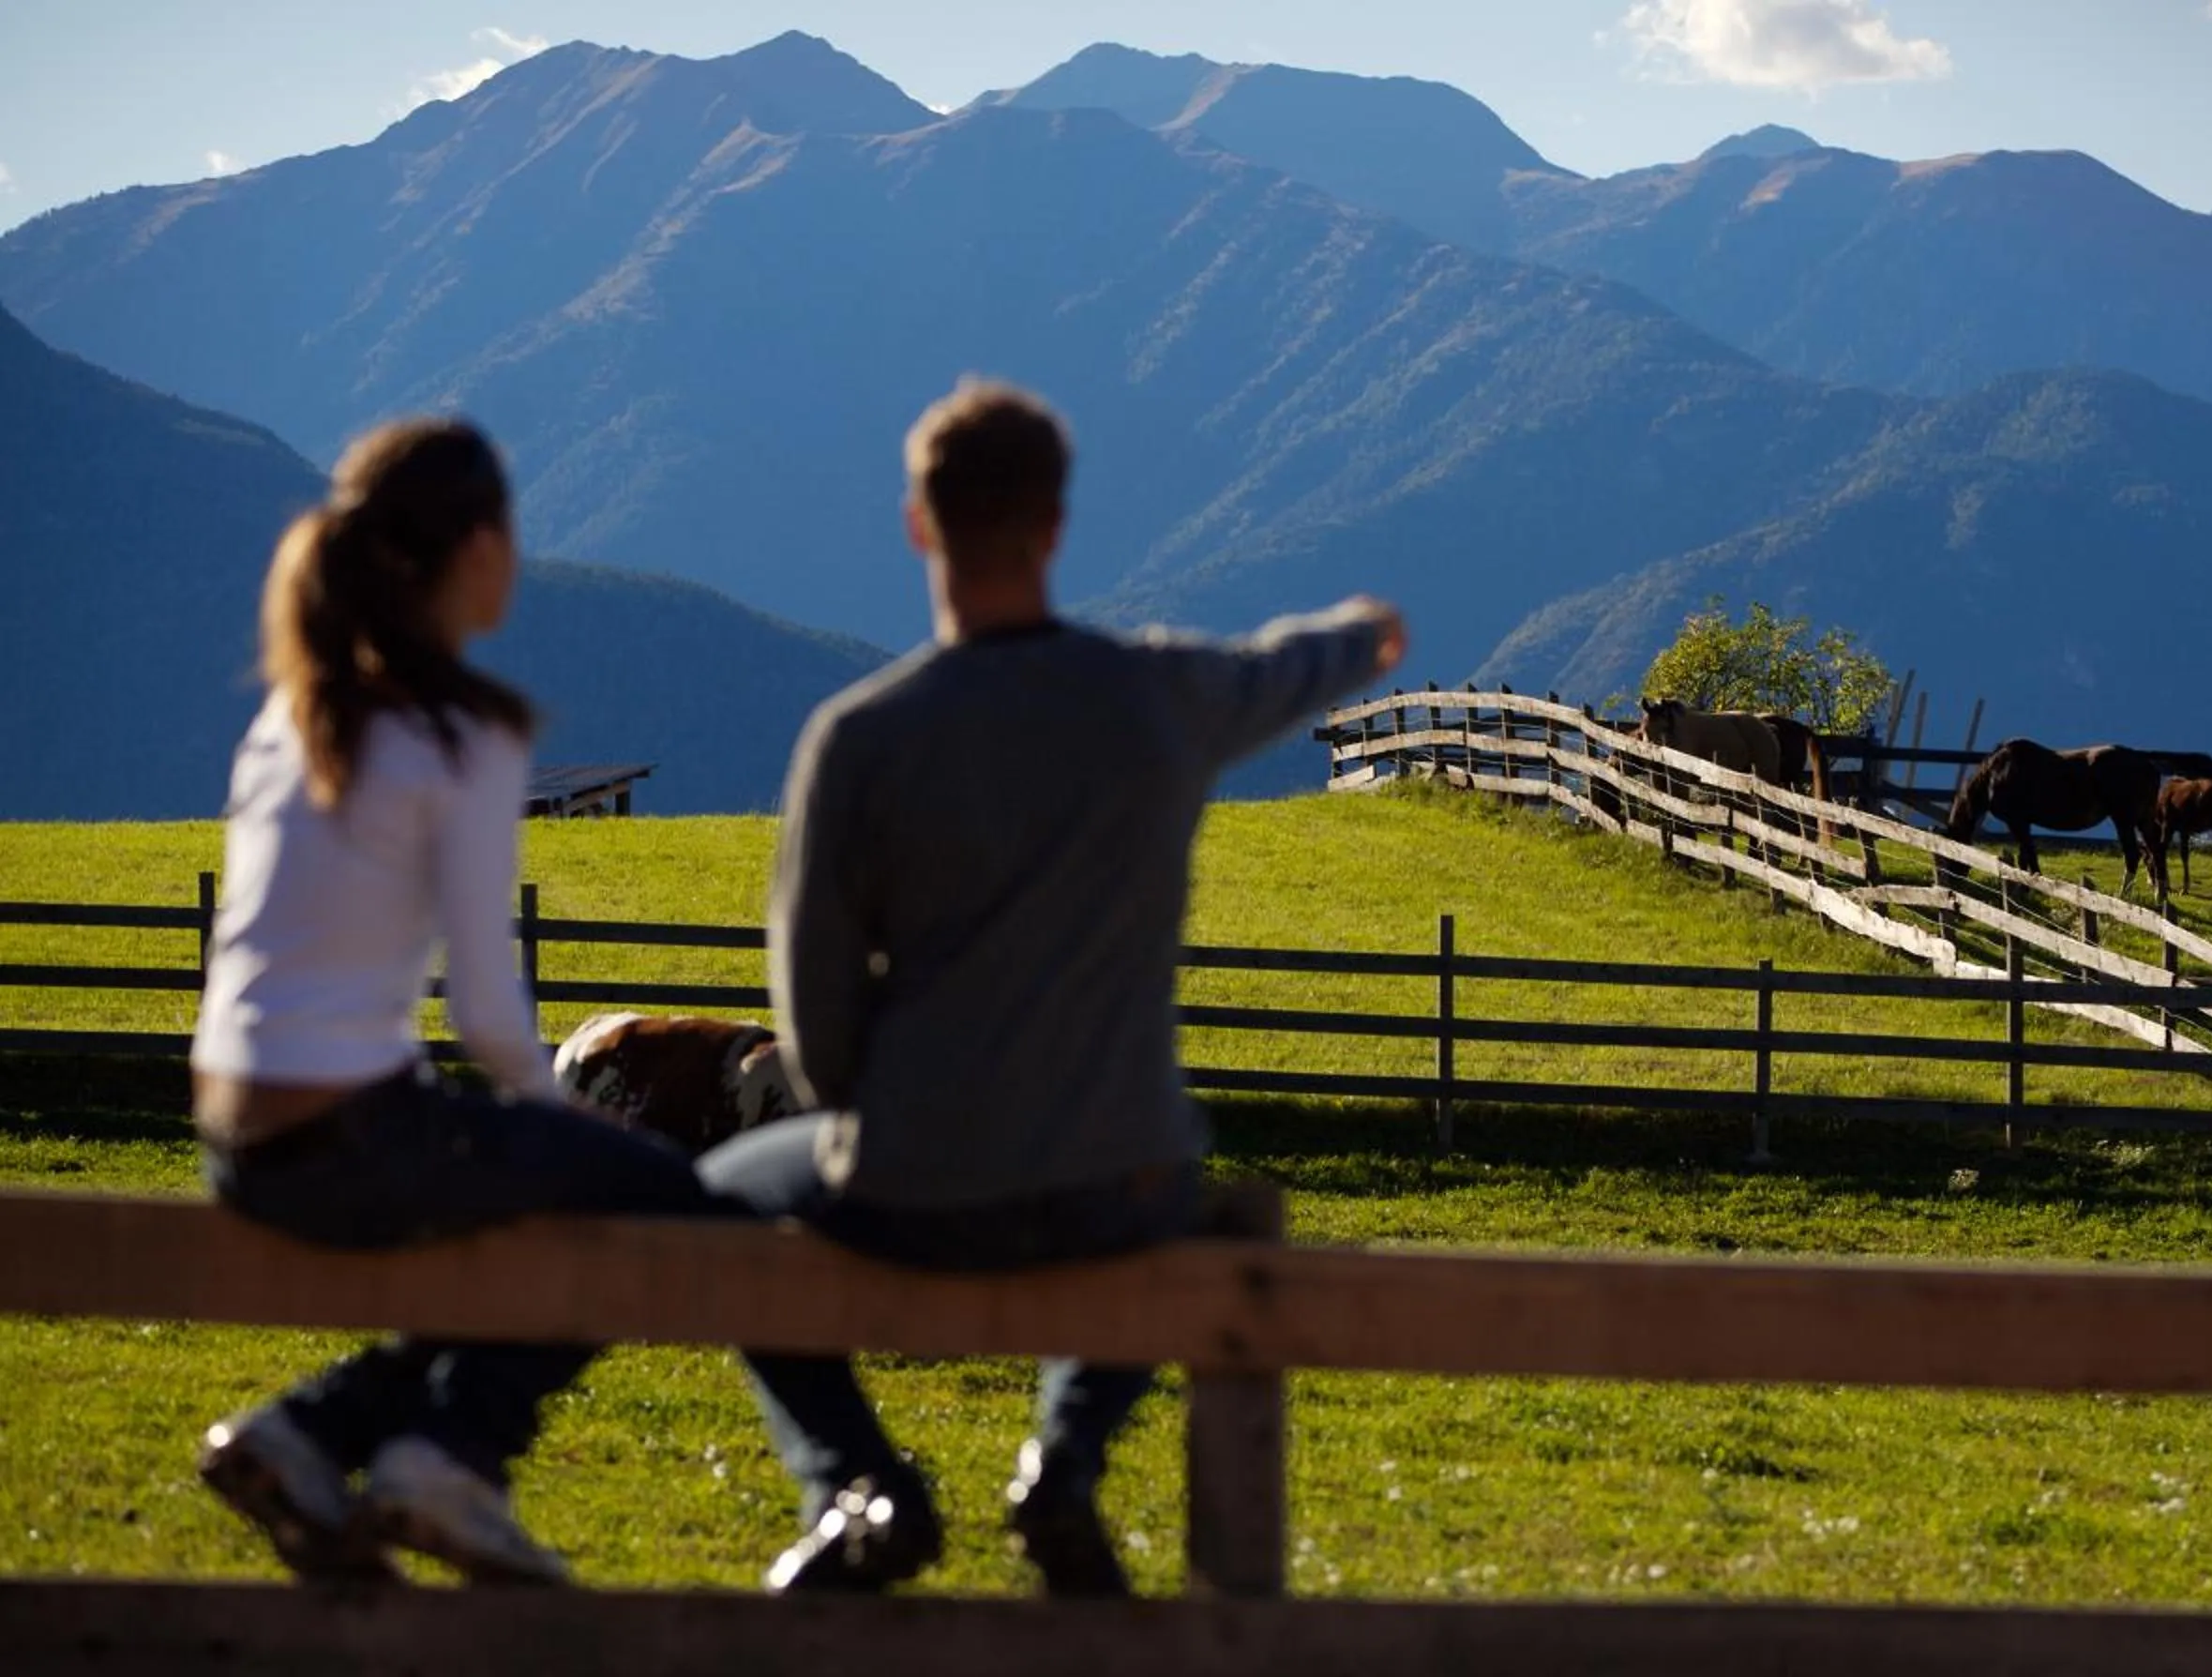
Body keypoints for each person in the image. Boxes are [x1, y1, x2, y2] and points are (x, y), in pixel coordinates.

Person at [700, 377, 1407, 1595]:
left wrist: (884, 1127)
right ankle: (1064, 1462)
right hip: (1116, 1176)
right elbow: (1285, 667)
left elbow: (813, 1013)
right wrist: (1364, 633)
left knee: (715, 1200)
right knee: (1175, 1173)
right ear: (1056, 525)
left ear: (921, 524)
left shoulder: (861, 739)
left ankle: (859, 1484)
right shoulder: (1157, 696)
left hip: (915, 1175)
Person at [189, 417, 735, 1587]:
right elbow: (488, 1004)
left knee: (525, 1194)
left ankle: (321, 1428)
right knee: (649, 1191)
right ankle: (450, 1452)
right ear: (476, 548)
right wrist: (558, 1120)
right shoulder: (462, 729)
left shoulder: (290, 718)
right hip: (356, 1133)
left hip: (236, 1135)